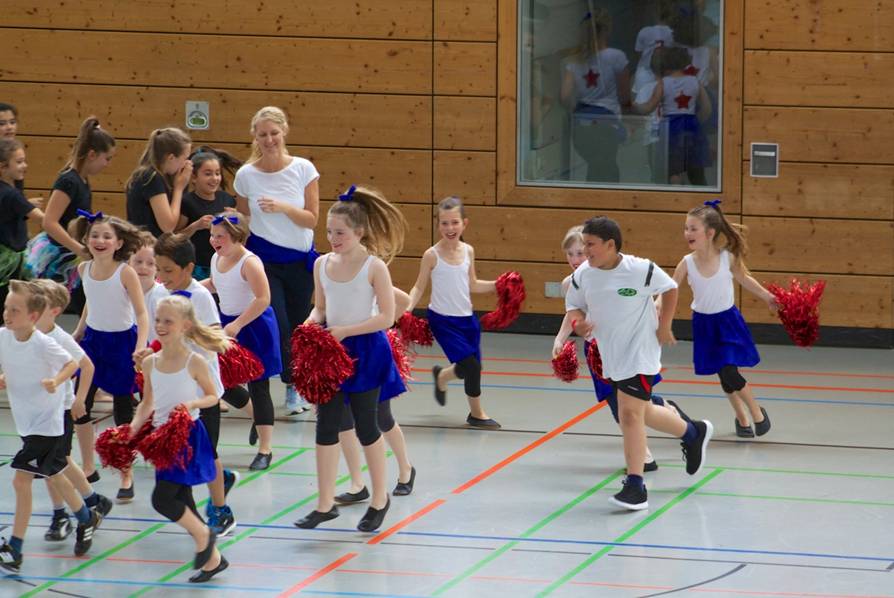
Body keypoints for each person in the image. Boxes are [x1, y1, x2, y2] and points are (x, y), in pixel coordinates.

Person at [564, 216, 713, 510]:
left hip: (641, 351)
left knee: (629, 414)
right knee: (643, 411)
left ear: (610, 245)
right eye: (583, 245)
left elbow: (670, 288)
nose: (586, 251)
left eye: (590, 245)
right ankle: (693, 432)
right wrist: (578, 324)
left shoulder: (640, 269)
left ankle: (635, 486)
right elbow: (574, 305)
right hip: (612, 354)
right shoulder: (584, 274)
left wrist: (664, 325)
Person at [294, 185, 407, 532]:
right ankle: (325, 503)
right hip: (332, 353)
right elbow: (322, 307)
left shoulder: (374, 267)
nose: (333, 238)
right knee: (326, 425)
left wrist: (346, 331)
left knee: (366, 425)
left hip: (367, 351)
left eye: (340, 233)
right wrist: (311, 323)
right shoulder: (321, 264)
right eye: (328, 232)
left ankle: (378, 498)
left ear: (359, 232)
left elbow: (387, 317)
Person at [553, 226, 693, 472]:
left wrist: (660, 321)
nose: (577, 258)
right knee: (619, 402)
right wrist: (562, 337)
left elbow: (643, 295)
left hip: (631, 345)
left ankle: (643, 459)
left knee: (630, 407)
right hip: (598, 349)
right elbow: (572, 312)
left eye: (582, 251)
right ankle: (671, 425)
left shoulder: (629, 270)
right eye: (571, 254)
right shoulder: (573, 281)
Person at [140, 233, 240, 535]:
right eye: (159, 269)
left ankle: (221, 510)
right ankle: (197, 523)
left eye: (168, 270)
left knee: (209, 454)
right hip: (171, 395)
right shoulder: (158, 294)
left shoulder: (200, 298)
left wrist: (179, 347)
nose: (161, 276)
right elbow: (153, 334)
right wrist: (149, 352)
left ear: (188, 268)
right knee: (180, 459)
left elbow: (212, 341)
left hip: (199, 393)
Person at [0, 281, 103, 571]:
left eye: (14, 310)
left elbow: (72, 364)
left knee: (21, 481)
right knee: (56, 474)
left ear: (32, 316)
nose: (7, 315)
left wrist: (56, 381)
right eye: (6, 308)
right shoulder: (4, 337)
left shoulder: (44, 342)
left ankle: (15, 548)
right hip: (26, 421)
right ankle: (85, 517)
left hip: (47, 423)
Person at [131, 295, 229, 583]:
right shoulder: (150, 363)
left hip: (187, 437)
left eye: (168, 321)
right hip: (163, 440)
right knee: (182, 500)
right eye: (158, 320)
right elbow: (147, 403)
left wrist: (192, 404)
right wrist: (132, 429)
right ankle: (214, 560)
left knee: (163, 499)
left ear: (185, 326)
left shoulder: (194, 361)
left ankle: (204, 534)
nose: (160, 326)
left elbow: (213, 396)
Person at [233, 106, 317, 416]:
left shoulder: (303, 169)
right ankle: (287, 384)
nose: (269, 140)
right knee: (279, 324)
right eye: (263, 135)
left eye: (274, 134)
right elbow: (242, 219)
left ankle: (297, 386)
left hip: (299, 261)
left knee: (299, 325)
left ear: (284, 133)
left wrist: (283, 207)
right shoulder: (246, 175)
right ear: (255, 137)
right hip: (265, 262)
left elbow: (311, 219)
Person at [672, 200, 775, 437]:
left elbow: (745, 278)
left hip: (727, 322)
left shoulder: (727, 258)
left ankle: (758, 414)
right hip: (704, 324)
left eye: (693, 228)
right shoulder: (687, 263)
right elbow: (672, 288)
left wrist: (767, 296)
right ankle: (741, 419)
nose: (687, 233)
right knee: (723, 373)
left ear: (710, 233)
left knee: (729, 371)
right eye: (686, 228)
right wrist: (657, 304)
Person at [70, 212, 149, 501]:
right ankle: (88, 465)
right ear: (86, 239)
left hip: (122, 344)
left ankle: (125, 473)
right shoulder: (84, 269)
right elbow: (92, 300)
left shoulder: (125, 272)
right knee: (81, 404)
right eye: (95, 235)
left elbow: (141, 312)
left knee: (122, 410)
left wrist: (140, 346)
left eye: (106, 236)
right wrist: (79, 331)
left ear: (118, 243)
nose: (100, 241)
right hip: (93, 343)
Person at [405, 196, 500, 429]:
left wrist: (500, 284)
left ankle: (442, 377)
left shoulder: (468, 250)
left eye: (455, 222)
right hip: (442, 321)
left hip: (468, 320)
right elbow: (419, 286)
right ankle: (477, 414)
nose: (450, 228)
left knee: (468, 365)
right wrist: (406, 309)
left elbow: (473, 284)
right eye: (444, 223)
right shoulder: (431, 255)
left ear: (464, 224)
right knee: (472, 367)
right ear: (438, 224)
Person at [31, 279, 114, 542]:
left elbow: (86, 366)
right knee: (60, 462)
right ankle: (93, 500)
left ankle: (61, 515)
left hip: (60, 410)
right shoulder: (31, 334)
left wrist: (79, 400)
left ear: (53, 310)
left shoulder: (60, 338)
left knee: (51, 465)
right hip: (38, 410)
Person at [203, 213, 281, 470]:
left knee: (259, 386)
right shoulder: (217, 258)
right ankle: (255, 417)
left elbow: (263, 298)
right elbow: (216, 284)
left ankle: (265, 448)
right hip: (228, 325)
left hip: (253, 325)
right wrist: (189, 287)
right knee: (220, 380)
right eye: (212, 235)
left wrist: (238, 324)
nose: (214, 240)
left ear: (237, 237)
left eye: (220, 236)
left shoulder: (250, 263)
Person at [25, 117, 116, 314]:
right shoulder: (69, 181)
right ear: (92, 154)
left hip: (72, 251)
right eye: (106, 158)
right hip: (58, 254)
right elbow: (50, 222)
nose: (107, 164)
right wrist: (78, 248)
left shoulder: (82, 180)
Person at [335, 286, 416, 505]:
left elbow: (404, 300)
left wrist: (381, 324)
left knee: (382, 416)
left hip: (370, 351)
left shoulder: (368, 274)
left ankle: (405, 468)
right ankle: (357, 484)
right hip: (340, 351)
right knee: (342, 418)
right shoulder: (328, 267)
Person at [560, 8, 630, 182]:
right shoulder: (616, 57)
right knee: (607, 169)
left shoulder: (574, 61)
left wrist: (576, 110)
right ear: (607, 30)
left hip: (581, 124)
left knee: (596, 167)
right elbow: (625, 96)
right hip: (606, 124)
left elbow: (564, 96)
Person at [635, 46, 711, 185]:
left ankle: (677, 197)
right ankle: (703, 201)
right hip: (692, 127)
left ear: (666, 64)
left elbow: (649, 107)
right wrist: (694, 121)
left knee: (673, 170)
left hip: (671, 128)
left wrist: (633, 106)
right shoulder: (695, 82)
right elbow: (706, 108)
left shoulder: (663, 84)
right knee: (696, 171)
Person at [177, 147, 241, 280]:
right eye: (208, 174)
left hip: (223, 264)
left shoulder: (226, 199)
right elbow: (176, 237)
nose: (214, 178)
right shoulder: (187, 202)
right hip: (197, 267)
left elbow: (239, 231)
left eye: (217, 173)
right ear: (194, 177)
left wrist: (236, 218)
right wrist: (195, 226)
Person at [1, 139, 44, 309]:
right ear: (3, 167)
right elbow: (43, 220)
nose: (24, 165)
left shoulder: (10, 193)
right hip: (9, 265)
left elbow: (7, 217)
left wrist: (25, 205)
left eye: (24, 160)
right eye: (19, 162)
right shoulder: (12, 195)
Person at [126, 128, 193, 237]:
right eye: (185, 158)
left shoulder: (159, 176)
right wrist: (179, 188)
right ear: (171, 157)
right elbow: (168, 226)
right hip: (145, 246)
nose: (187, 163)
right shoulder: (151, 177)